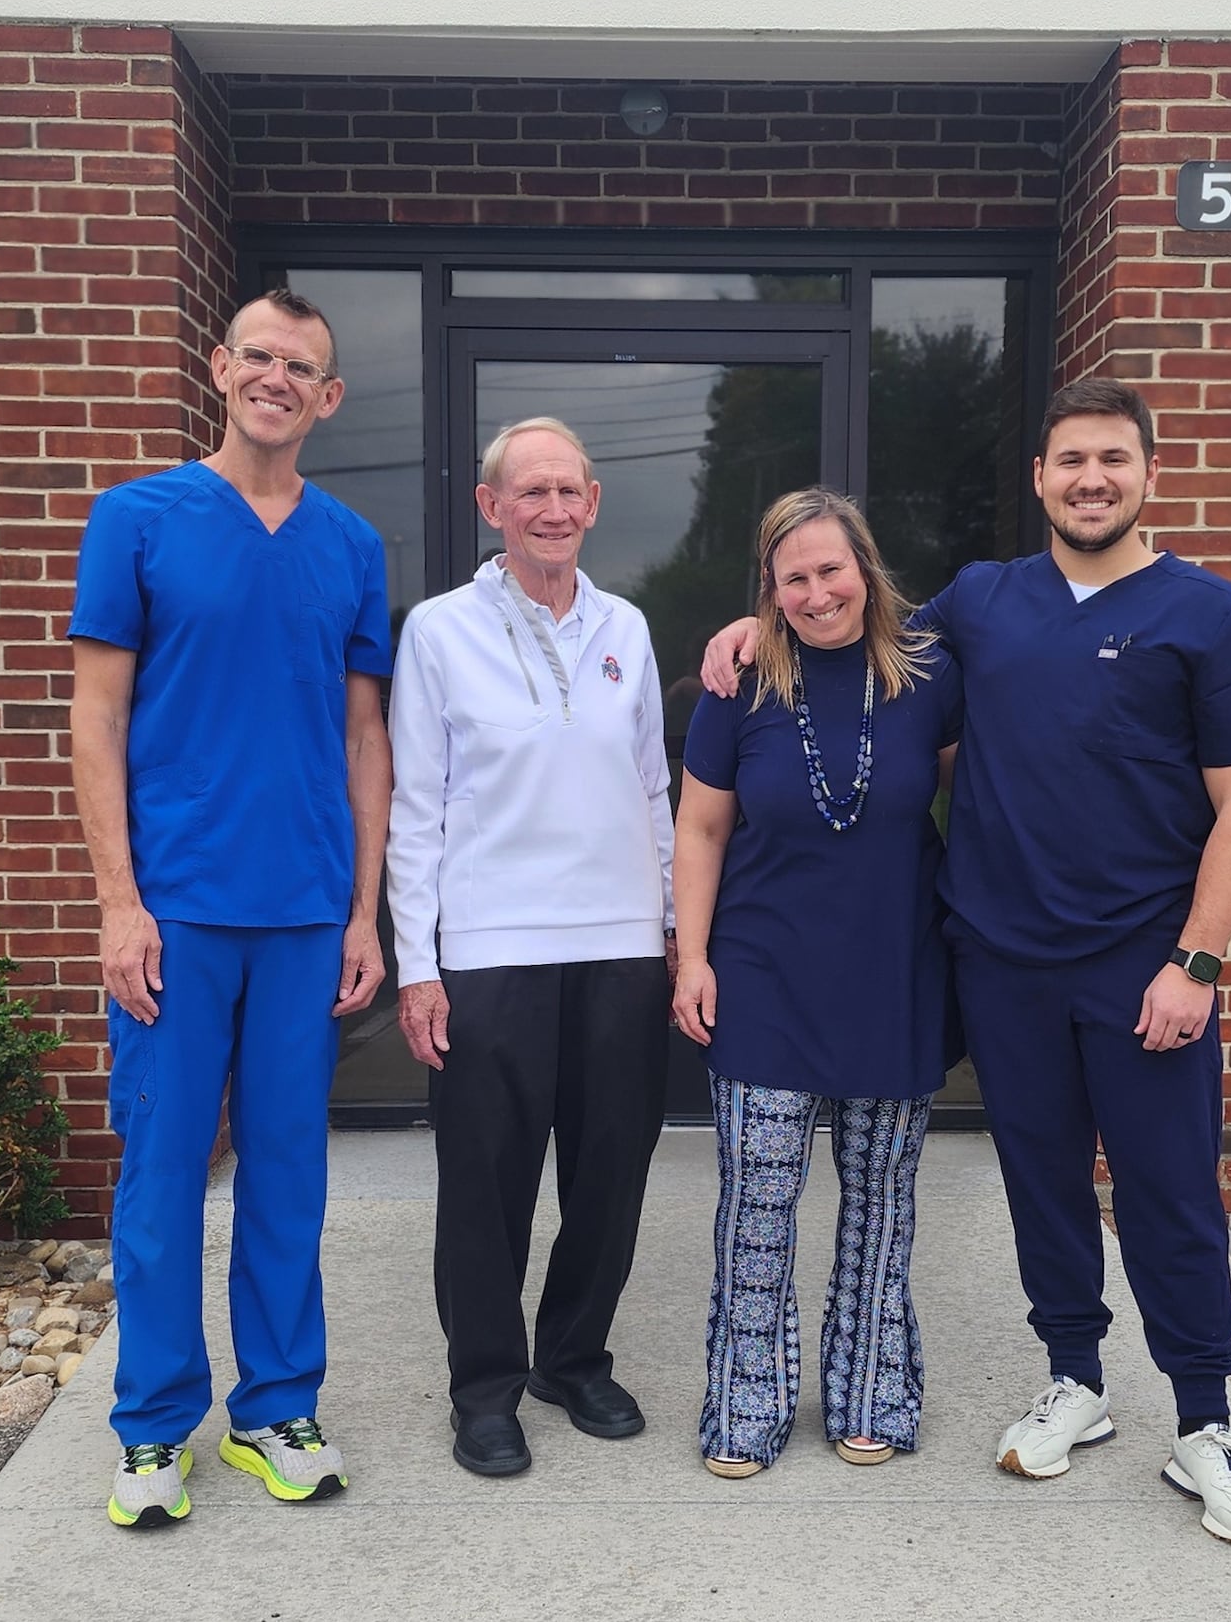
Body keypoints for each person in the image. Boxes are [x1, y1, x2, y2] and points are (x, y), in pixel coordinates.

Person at [701, 379, 1231, 1544]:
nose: (1090, 478)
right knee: (1041, 1180)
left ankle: (1200, 1423)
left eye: (1111, 460)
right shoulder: (982, 601)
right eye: (1069, 458)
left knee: (1169, 1192)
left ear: (1146, 473)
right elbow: (844, 619)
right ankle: (1073, 1379)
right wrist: (748, 625)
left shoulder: (1212, 615)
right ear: (1039, 477)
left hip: (1142, 966)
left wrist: (1199, 960)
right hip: (1002, 957)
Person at [68, 287, 393, 1530]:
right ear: (220, 366)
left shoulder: (352, 544)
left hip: (306, 912)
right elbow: (97, 716)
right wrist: (118, 902)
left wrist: (363, 912)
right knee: (157, 1176)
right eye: (257, 354)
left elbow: (366, 736)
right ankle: (153, 1429)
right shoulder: (137, 519)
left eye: (299, 364)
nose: (275, 376)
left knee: (289, 1179)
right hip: (178, 914)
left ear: (327, 395)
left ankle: (274, 1406)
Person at [386, 418, 676, 1479]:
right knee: (486, 1182)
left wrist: (675, 928)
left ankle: (572, 1356)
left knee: (609, 1171)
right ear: (490, 504)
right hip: (489, 948)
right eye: (530, 491)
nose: (552, 508)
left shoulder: (627, 627)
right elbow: (416, 807)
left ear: (593, 502)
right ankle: (485, 1385)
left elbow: (654, 787)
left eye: (569, 490)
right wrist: (417, 962)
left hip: (618, 947)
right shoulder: (439, 631)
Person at [673, 489, 962, 1477]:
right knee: (756, 1205)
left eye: (831, 568)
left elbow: (973, 801)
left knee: (882, 1203)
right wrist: (691, 955)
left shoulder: (929, 675)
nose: (816, 590)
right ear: (770, 589)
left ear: (865, 569)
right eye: (792, 576)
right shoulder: (738, 684)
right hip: (760, 974)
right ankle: (743, 1406)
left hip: (895, 971)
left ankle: (869, 1392)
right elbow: (700, 828)